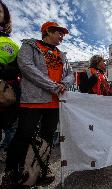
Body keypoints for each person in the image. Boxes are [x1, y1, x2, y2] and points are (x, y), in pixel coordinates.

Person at [2, 21, 75, 188]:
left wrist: (64, 83)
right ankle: (10, 172)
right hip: (33, 101)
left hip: (55, 103)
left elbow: (71, 74)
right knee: (23, 136)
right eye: (58, 32)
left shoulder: (62, 54)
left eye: (62, 33)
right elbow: (26, 67)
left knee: (47, 138)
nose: (62, 36)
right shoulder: (30, 46)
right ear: (47, 31)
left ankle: (40, 170)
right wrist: (53, 86)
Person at [0, 0, 20, 155]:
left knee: (12, 132)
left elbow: (18, 70)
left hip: (6, 97)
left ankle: (11, 169)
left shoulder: (11, 44)